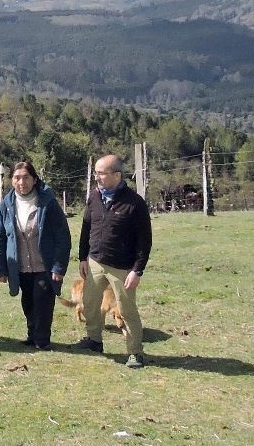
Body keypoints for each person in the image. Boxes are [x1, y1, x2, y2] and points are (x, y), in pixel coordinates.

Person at [75, 154, 152, 368]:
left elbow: (145, 241)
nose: (96, 177)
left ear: (116, 175)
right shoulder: (94, 197)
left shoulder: (135, 203)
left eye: (101, 173)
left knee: (126, 310)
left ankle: (135, 352)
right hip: (95, 262)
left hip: (123, 268)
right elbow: (86, 228)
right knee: (90, 303)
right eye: (96, 173)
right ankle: (94, 340)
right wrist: (82, 257)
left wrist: (137, 270)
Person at [0, 161, 71, 351]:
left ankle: (42, 340)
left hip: (45, 266)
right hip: (20, 267)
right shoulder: (7, 205)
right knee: (28, 302)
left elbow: (62, 236)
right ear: (11, 181)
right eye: (17, 178)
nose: (22, 182)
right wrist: (0, 268)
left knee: (42, 303)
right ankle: (31, 334)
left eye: (26, 177)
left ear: (34, 180)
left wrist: (59, 267)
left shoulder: (48, 202)